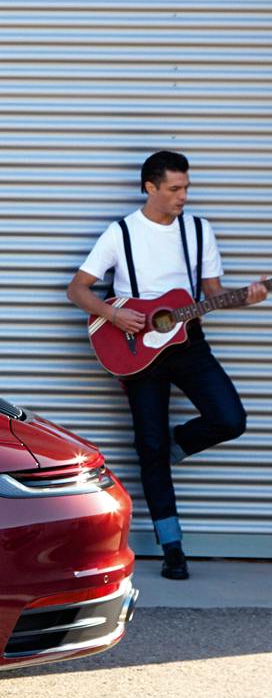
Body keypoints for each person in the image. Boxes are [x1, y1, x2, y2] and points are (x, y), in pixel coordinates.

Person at [67, 151, 265, 579]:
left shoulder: (198, 231)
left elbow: (212, 293)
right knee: (148, 447)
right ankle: (172, 547)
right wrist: (115, 314)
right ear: (150, 187)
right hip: (137, 353)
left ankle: (171, 447)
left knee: (230, 419)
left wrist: (246, 295)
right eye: (175, 189)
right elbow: (78, 290)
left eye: (186, 188)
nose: (183, 196)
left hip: (188, 342)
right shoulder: (121, 234)